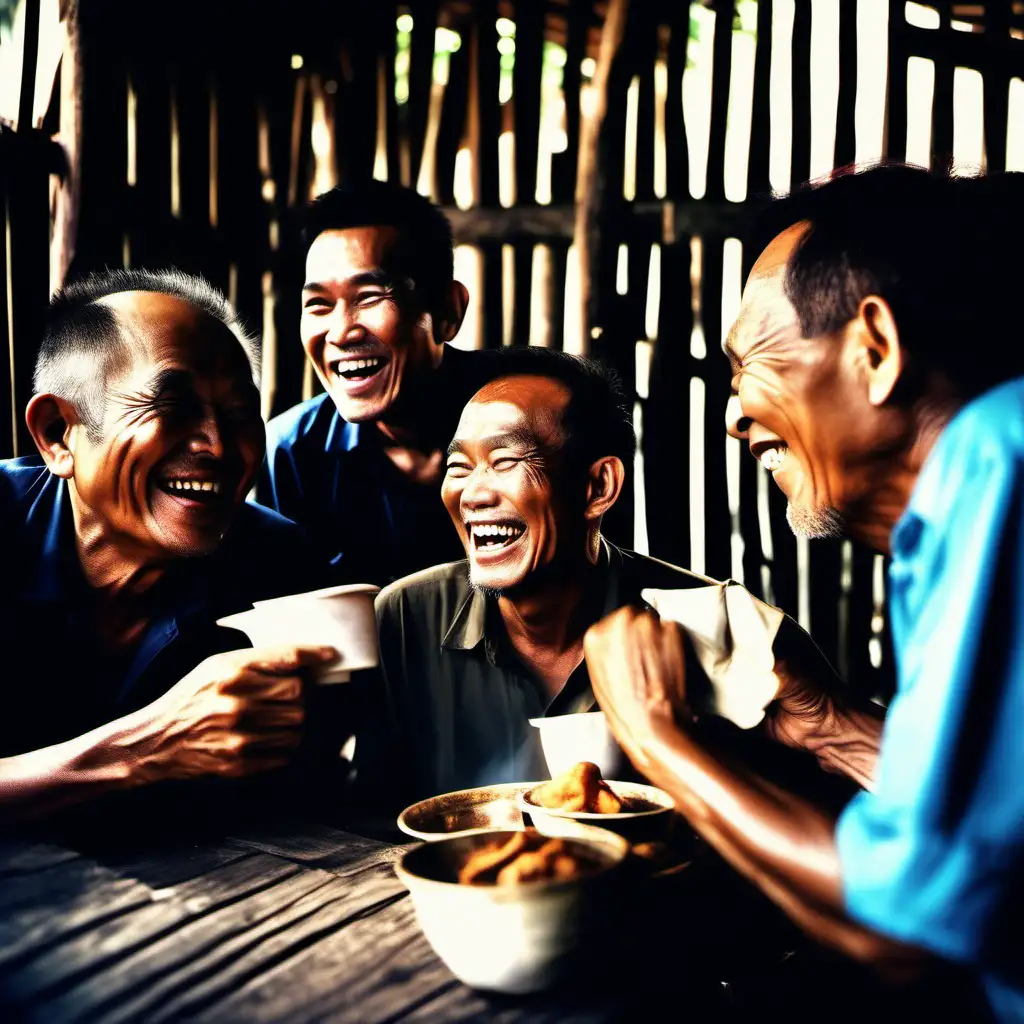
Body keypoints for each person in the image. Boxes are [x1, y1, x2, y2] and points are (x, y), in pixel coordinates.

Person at [583, 165, 1024, 1020]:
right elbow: (986, 849)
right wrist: (826, 720)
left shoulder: (995, 464)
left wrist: (655, 736)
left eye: (748, 364)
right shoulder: (969, 489)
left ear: (876, 348)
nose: (733, 415)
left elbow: (911, 931)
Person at [370, 347, 822, 801]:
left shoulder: (725, 628)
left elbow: (844, 824)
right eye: (459, 467)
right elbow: (363, 811)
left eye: (505, 461)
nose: (473, 494)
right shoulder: (405, 618)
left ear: (597, 487)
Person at [0, 269, 335, 824]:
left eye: (237, 413)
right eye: (173, 408)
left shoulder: (276, 564)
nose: (218, 445)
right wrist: (145, 749)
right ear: (59, 432)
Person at [257, 180, 497, 586]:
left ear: (447, 311)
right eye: (318, 305)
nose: (340, 332)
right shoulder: (290, 456)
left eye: (368, 297)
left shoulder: (530, 429)